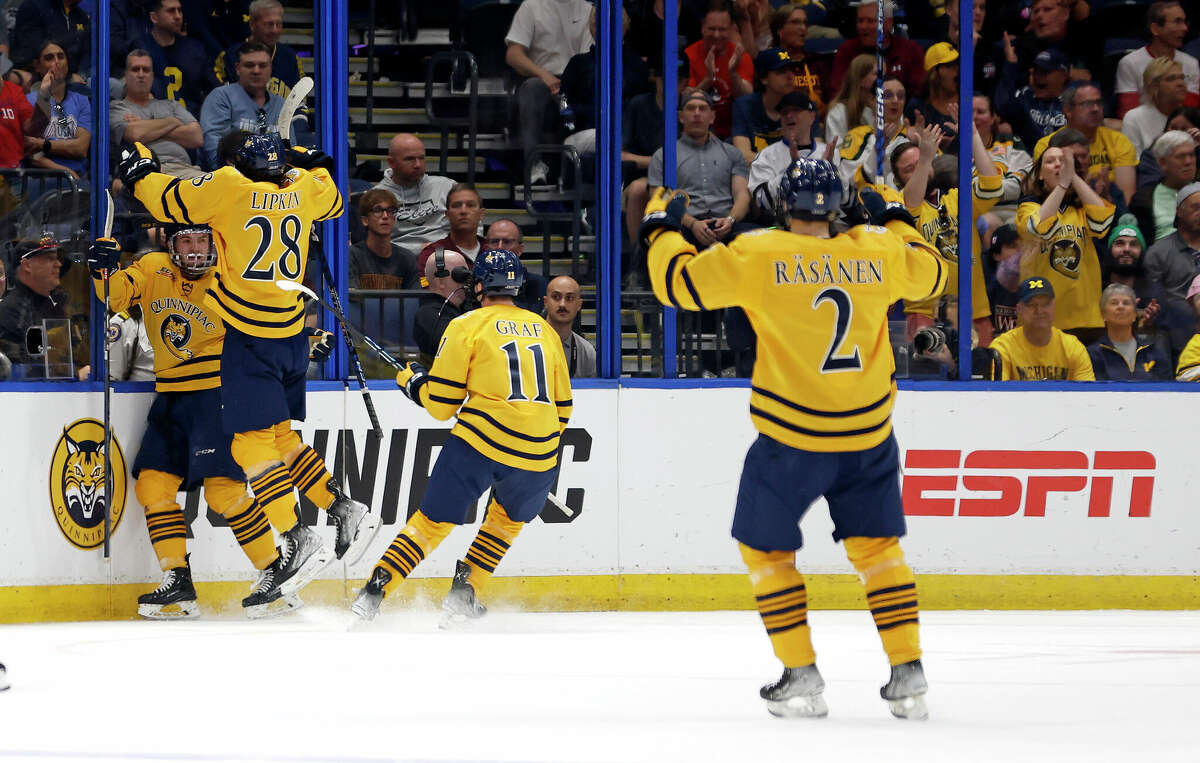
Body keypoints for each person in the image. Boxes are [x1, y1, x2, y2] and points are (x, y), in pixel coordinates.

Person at [640, 158, 948, 719]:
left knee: (764, 549)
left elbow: (677, 285)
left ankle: (800, 671)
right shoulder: (875, 246)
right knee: (879, 551)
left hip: (792, 438)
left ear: (783, 204)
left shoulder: (760, 252)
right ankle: (909, 672)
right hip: (869, 432)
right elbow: (932, 274)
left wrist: (660, 225)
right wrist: (899, 215)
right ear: (840, 207)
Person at [118, 132, 381, 607]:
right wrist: (309, 159)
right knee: (280, 436)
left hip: (250, 335)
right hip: (290, 331)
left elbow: (163, 197)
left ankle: (295, 535)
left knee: (249, 443)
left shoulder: (227, 187)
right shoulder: (302, 186)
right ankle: (343, 506)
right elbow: (336, 200)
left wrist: (137, 165)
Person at [86, 226, 328, 617]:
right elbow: (113, 295)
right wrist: (103, 268)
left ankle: (276, 574)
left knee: (224, 493)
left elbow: (270, 320)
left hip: (219, 393)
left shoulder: (233, 273)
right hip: (172, 396)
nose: (195, 249)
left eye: (203, 241)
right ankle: (178, 581)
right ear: (170, 244)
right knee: (152, 486)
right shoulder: (151, 268)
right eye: (186, 241)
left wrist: (306, 336)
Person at [351, 250, 572, 624]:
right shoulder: (545, 329)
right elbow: (563, 407)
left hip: (480, 441)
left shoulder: (467, 324)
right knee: (505, 522)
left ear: (480, 285)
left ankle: (374, 592)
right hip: (541, 450)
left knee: (431, 523)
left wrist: (414, 383)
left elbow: (441, 405)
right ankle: (464, 592)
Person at [901, 123, 1003, 345]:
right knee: (927, 376)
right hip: (925, 312)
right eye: (909, 169)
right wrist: (926, 158)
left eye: (921, 162)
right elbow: (910, 203)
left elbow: (992, 186)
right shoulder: (899, 203)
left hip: (973, 310)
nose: (919, 168)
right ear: (899, 179)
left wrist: (973, 134)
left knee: (982, 375)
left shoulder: (957, 198)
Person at [1016, 144, 1116, 342]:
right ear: (1040, 175)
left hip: (1086, 319)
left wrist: (1073, 177)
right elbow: (1038, 228)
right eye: (1050, 161)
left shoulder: (1081, 209)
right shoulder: (1028, 206)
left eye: (1063, 162)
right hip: (1042, 317)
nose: (1058, 165)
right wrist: (1063, 184)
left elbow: (1103, 223)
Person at [503, 0, 594, 184]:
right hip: (540, 77)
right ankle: (533, 164)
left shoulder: (587, 9)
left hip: (574, 82)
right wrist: (544, 75)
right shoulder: (531, 6)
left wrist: (568, 81)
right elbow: (513, 54)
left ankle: (569, 173)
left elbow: (587, 56)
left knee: (571, 100)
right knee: (532, 89)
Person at [647, 89, 751, 248]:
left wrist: (730, 220)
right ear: (680, 117)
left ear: (712, 117)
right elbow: (660, 198)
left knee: (765, 238)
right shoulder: (664, 156)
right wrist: (692, 223)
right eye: (690, 108)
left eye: (702, 108)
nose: (697, 113)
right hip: (683, 227)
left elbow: (742, 194)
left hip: (726, 226)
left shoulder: (731, 153)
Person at [1032, 83, 1138, 205]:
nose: (1095, 109)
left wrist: (1107, 198)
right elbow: (1043, 193)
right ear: (1068, 110)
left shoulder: (1118, 141)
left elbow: (1127, 198)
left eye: (1098, 103)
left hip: (1109, 209)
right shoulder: (1047, 145)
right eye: (1087, 104)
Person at [0, 236, 88, 377]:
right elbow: (27, 367)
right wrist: (76, 373)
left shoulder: (52, 302)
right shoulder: (12, 310)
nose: (58, 264)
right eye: (49, 259)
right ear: (27, 266)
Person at [111, 50, 205, 181]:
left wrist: (145, 124)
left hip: (184, 169)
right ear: (126, 75)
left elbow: (196, 137)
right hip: (144, 169)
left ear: (152, 76)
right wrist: (173, 121)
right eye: (135, 69)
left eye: (146, 70)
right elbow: (135, 133)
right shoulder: (117, 106)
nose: (141, 74)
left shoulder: (171, 105)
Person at [198, 41, 285, 169]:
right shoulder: (221, 97)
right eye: (249, 65)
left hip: (272, 180)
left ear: (270, 69)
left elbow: (289, 148)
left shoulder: (281, 104)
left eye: (262, 65)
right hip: (228, 178)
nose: (256, 71)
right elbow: (214, 152)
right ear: (238, 68)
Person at [990, 277, 1095, 380]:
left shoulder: (1073, 347)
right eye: (1031, 305)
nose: (1039, 310)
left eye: (1046, 304)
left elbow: (1087, 394)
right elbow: (995, 394)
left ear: (1054, 306)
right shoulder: (1003, 347)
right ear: (1019, 310)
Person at [374, 133, 456, 253]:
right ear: (391, 162)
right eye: (409, 159)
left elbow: (472, 224)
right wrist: (418, 250)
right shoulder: (376, 197)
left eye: (421, 158)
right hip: (398, 262)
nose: (418, 165)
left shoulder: (447, 187)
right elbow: (375, 243)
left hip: (446, 257)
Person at [1115, 1, 1198, 118]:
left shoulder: (1191, 63)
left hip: (1180, 126)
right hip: (1143, 126)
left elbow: (1192, 110)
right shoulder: (1130, 63)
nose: (1185, 28)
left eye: (1185, 22)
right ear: (1155, 29)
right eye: (1177, 22)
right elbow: (1128, 113)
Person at [134, 0, 219, 113]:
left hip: (193, 121)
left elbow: (215, 88)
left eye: (180, 11)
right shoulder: (139, 48)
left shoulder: (194, 49)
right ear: (154, 17)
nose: (178, 16)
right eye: (171, 11)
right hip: (153, 121)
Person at [684, 3, 754, 139]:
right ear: (703, 27)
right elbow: (685, 103)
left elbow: (746, 98)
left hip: (734, 134)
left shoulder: (740, 56)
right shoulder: (689, 55)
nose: (716, 35)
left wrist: (733, 74)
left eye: (722, 29)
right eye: (711, 29)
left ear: (731, 29)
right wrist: (707, 80)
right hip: (697, 133)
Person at [25, 40, 90, 181]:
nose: (56, 62)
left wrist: (43, 144)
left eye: (61, 56)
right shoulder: (28, 100)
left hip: (80, 177)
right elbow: (32, 152)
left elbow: (81, 148)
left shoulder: (81, 100)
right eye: (49, 58)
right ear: (37, 66)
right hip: (43, 179)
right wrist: (65, 171)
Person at [830, 1, 924, 97]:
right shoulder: (846, 51)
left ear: (888, 23)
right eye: (860, 21)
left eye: (870, 21)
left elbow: (918, 95)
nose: (863, 26)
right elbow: (838, 94)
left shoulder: (911, 51)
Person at [837, 75, 915, 191]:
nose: (895, 100)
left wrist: (925, 151)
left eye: (900, 96)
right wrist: (877, 150)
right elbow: (847, 181)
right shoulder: (858, 135)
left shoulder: (914, 136)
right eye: (887, 95)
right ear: (872, 100)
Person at [214, 0, 306, 97]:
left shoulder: (291, 58)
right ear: (252, 25)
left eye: (278, 24)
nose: (275, 30)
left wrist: (299, 112)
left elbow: (300, 102)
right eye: (269, 24)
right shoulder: (229, 58)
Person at [1144, 182, 1200, 339]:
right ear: (1179, 211)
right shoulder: (1158, 253)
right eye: (1195, 207)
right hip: (1176, 335)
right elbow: (1157, 306)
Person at [1086, 284, 1171, 380]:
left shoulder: (1152, 350)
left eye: (1126, 303)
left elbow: (1168, 389)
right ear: (1103, 314)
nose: (1121, 307)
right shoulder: (1093, 354)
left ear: (1135, 314)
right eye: (1114, 303)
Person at [731, 47, 799, 165]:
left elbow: (814, 154)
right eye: (781, 71)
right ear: (763, 78)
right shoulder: (743, 106)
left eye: (791, 70)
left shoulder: (804, 106)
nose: (790, 76)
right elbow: (744, 156)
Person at [995, 46, 1068, 154]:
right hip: (1027, 161)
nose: (1038, 77)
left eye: (1044, 72)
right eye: (1036, 71)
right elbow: (1002, 105)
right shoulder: (1025, 96)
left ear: (1063, 75)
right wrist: (1010, 64)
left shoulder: (1074, 100)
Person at [1131, 130, 1197, 242]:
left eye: (1192, 155)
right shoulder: (1143, 199)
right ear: (1162, 162)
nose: (1188, 162)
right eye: (1181, 156)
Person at [349, 188, 418, 290]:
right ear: (365, 220)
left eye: (390, 211)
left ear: (394, 219)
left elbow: (415, 302)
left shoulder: (407, 259)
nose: (385, 216)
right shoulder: (352, 256)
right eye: (378, 210)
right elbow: (351, 301)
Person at [416, 183, 487, 280]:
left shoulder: (493, 251)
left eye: (470, 205)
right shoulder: (431, 254)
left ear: (481, 214)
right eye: (457, 205)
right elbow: (425, 289)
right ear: (447, 214)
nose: (463, 211)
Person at [412, 248, 470, 365]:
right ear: (440, 281)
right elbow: (456, 347)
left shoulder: (467, 307)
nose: (467, 280)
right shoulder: (429, 315)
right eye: (460, 275)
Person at [1122, 58, 1189, 157]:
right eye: (1171, 79)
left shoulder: (1192, 115)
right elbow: (1131, 162)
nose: (1180, 83)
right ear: (1153, 86)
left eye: (1182, 77)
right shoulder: (1134, 118)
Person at [769, 3, 827, 113]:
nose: (803, 28)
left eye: (805, 23)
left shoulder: (818, 62)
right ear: (779, 30)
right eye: (795, 22)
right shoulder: (770, 64)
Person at [906, 43, 960, 155]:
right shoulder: (917, 106)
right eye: (950, 65)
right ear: (934, 73)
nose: (957, 70)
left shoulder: (970, 99)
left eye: (958, 64)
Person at [543, 274, 595, 378]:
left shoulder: (586, 351)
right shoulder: (527, 342)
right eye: (556, 297)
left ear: (579, 305)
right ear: (546, 302)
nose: (562, 304)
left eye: (569, 298)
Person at [823, 53, 876, 149]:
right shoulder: (838, 112)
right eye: (877, 74)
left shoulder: (887, 107)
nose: (883, 80)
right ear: (860, 79)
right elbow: (836, 152)